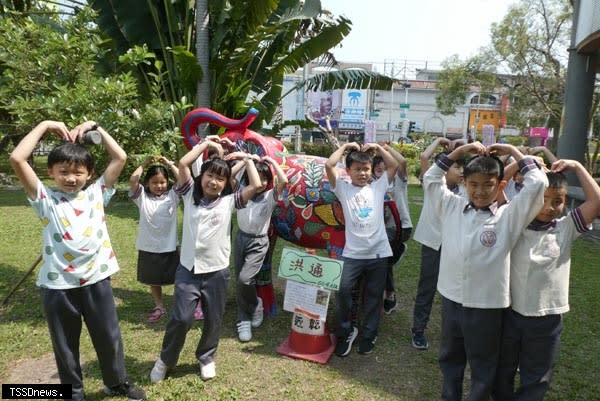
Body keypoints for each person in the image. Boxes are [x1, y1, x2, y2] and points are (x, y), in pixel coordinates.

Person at [9, 120, 146, 401]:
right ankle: (72, 392)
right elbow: (17, 158)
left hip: (96, 279)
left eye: (77, 172)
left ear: (89, 174)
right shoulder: (44, 197)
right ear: (51, 173)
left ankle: (116, 383)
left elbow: (120, 157)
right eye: (63, 172)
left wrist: (96, 127)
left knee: (109, 337)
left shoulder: (96, 193)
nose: (71, 178)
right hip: (58, 286)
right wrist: (46, 125)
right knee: (65, 344)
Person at [422, 141, 548, 401]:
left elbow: (538, 184)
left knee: (483, 364)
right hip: (451, 298)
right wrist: (459, 151)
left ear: (501, 185)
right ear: (464, 183)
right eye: (474, 184)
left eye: (488, 184)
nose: (480, 191)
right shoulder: (452, 206)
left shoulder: (509, 215)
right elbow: (431, 177)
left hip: (487, 305)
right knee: (450, 358)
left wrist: (513, 151)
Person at [149, 140, 262, 382]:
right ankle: (166, 360)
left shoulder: (230, 201)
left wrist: (249, 160)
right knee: (181, 317)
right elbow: (183, 163)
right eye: (210, 175)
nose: (214, 182)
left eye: (220, 179)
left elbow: (257, 184)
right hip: (188, 269)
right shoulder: (189, 194)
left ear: (226, 183)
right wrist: (207, 143)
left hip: (217, 272)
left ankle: (207, 357)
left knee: (213, 319)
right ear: (202, 177)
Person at [493, 159, 600, 401]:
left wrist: (577, 167)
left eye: (558, 201)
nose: (550, 207)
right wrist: (522, 163)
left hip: (547, 318)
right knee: (502, 372)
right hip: (509, 312)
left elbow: (597, 201)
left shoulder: (566, 227)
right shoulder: (512, 221)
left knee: (537, 378)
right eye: (542, 198)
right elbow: (496, 189)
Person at [325, 142, 399, 356]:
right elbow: (330, 165)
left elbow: (393, 166)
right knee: (343, 291)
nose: (363, 173)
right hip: (353, 254)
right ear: (348, 171)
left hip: (379, 253)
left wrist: (378, 147)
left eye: (366, 169)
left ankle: (369, 334)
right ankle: (346, 331)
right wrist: (346, 147)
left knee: (374, 297)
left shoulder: (378, 186)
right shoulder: (343, 188)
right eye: (357, 169)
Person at [410, 137, 466, 350]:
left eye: (463, 168)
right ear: (444, 168)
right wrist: (440, 140)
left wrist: (466, 145)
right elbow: (425, 157)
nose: (460, 171)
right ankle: (418, 329)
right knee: (428, 287)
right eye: (456, 166)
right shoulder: (432, 183)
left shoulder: (467, 190)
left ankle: (455, 331)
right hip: (433, 243)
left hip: (456, 245)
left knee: (455, 289)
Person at [230, 153, 288, 342]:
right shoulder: (242, 192)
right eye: (258, 178)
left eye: (265, 178)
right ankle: (243, 319)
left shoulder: (270, 196)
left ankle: (255, 304)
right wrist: (245, 161)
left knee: (245, 279)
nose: (261, 182)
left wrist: (271, 162)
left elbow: (284, 180)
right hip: (241, 239)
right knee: (240, 280)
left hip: (259, 242)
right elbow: (230, 176)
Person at [129, 156, 181, 323]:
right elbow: (133, 179)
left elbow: (183, 178)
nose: (159, 186)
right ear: (147, 184)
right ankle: (159, 306)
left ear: (168, 182)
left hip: (170, 246)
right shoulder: (142, 198)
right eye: (154, 182)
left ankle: (182, 304)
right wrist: (144, 164)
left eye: (163, 182)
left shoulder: (173, 196)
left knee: (179, 279)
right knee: (153, 281)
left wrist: (170, 164)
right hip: (149, 247)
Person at [371, 144, 412, 314]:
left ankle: (382, 296)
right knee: (383, 263)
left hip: (400, 227)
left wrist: (385, 149)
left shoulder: (398, 182)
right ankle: (389, 296)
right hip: (382, 230)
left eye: (386, 168)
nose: (382, 173)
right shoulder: (373, 184)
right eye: (378, 170)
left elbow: (401, 161)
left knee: (380, 260)